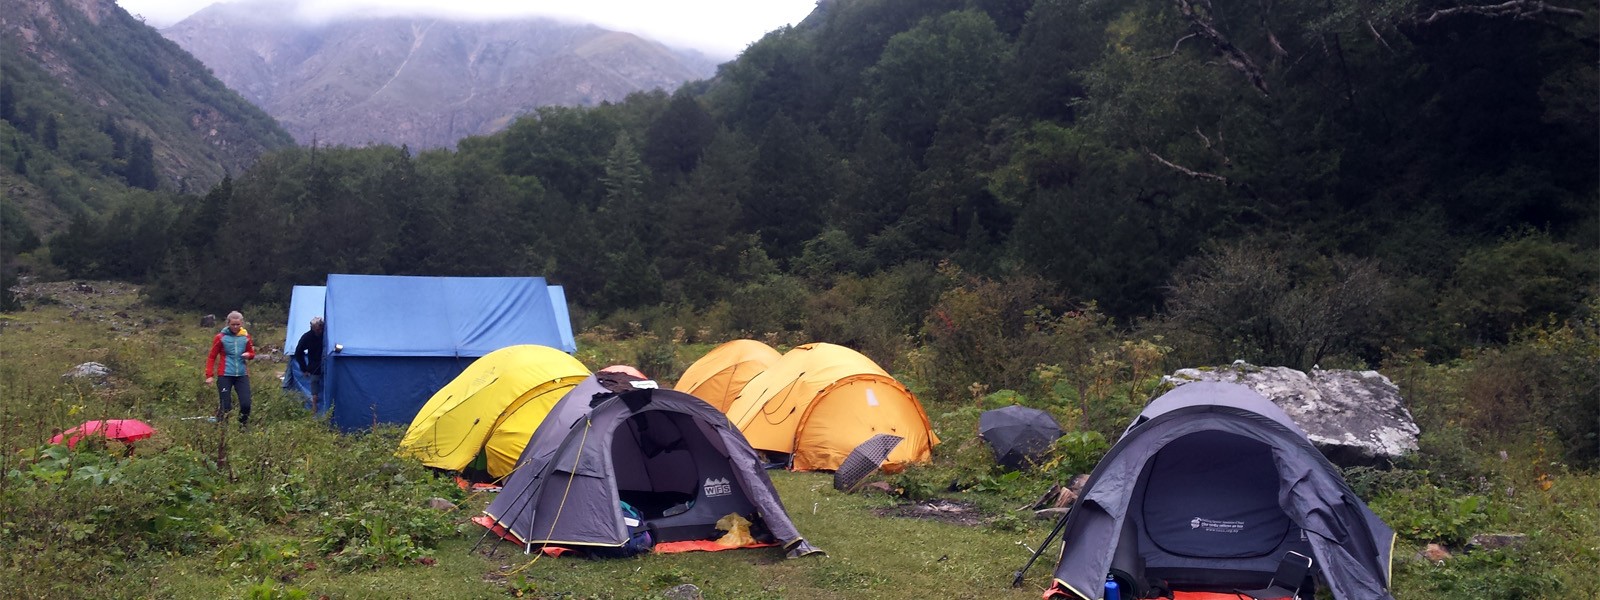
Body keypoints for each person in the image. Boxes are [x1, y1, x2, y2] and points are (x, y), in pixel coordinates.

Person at [205, 311, 256, 427]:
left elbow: (252, 353)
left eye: (238, 324)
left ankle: (242, 427)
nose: (236, 327)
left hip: (241, 374)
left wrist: (248, 355)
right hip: (225, 374)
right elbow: (212, 356)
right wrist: (209, 375)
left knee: (246, 404)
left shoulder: (245, 337)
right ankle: (222, 429)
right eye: (233, 325)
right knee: (226, 405)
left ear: (242, 323)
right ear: (228, 323)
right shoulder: (220, 337)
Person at [293, 316, 325, 411]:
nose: (318, 331)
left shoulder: (327, 335)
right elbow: (298, 352)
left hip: (329, 364)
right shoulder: (308, 336)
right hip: (315, 365)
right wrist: (304, 369)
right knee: (314, 383)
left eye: (320, 329)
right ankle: (314, 409)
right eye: (316, 329)